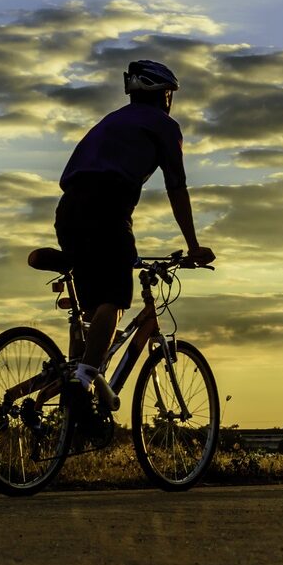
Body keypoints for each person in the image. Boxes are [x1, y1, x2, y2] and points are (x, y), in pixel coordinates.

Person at [54, 60, 214, 402]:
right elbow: (177, 187)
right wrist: (194, 245)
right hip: (107, 209)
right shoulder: (164, 125)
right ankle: (81, 382)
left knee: (93, 308)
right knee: (114, 300)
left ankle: (77, 380)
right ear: (163, 95)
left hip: (68, 210)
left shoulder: (111, 120)